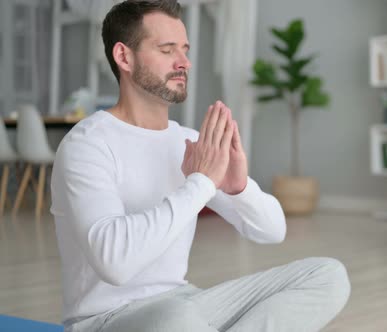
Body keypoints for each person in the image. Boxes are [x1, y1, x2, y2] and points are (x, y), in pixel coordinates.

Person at [50, 1, 350, 331]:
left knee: (327, 275)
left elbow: (272, 231)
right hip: (107, 319)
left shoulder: (191, 142)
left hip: (183, 302)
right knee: (176, 319)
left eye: (185, 49)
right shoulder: (88, 144)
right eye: (167, 50)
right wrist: (202, 182)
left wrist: (238, 187)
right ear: (124, 57)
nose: (184, 63)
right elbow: (114, 264)